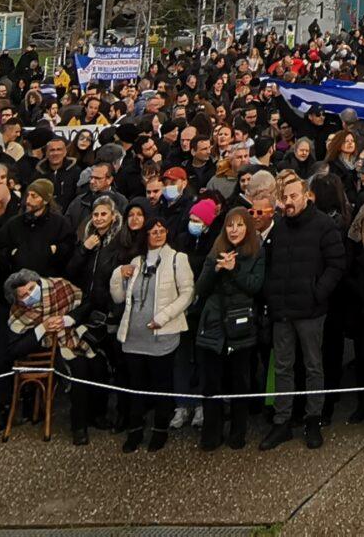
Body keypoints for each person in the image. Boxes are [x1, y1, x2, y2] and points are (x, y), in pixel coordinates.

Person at [260, 171, 346, 448]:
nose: (289, 201)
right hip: (282, 311)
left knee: (313, 366)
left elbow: (336, 265)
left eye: (293, 196)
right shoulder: (280, 227)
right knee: (283, 367)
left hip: (310, 311)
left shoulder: (324, 225)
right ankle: (282, 421)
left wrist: (316, 293)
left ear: (306, 196)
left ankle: (313, 419)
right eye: (284, 197)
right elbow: (272, 265)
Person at [110, 213, 194, 449]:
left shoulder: (178, 259)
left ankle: (160, 429)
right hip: (134, 336)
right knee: (136, 385)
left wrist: (163, 317)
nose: (157, 234)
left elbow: (188, 293)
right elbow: (118, 297)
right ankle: (135, 431)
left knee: (161, 384)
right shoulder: (136, 262)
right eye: (153, 230)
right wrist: (118, 275)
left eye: (161, 230)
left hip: (162, 335)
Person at [192, 205, 268, 451]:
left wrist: (234, 270)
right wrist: (216, 269)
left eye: (240, 224)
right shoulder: (216, 250)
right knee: (211, 383)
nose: (234, 230)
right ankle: (211, 433)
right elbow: (200, 288)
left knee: (240, 382)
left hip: (240, 325)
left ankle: (238, 432)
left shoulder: (256, 252)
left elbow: (255, 286)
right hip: (213, 324)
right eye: (230, 225)